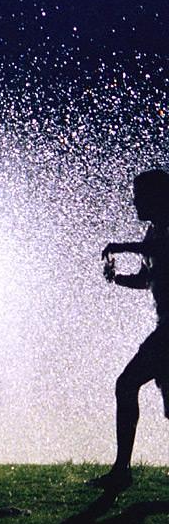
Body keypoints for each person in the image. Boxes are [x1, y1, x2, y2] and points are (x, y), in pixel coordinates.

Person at [93, 169, 169, 491]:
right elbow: (146, 279)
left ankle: (122, 471)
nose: (135, 202)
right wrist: (118, 279)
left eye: (139, 196)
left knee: (126, 384)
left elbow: (159, 252)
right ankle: (121, 470)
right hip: (164, 328)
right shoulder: (153, 232)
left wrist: (122, 246)